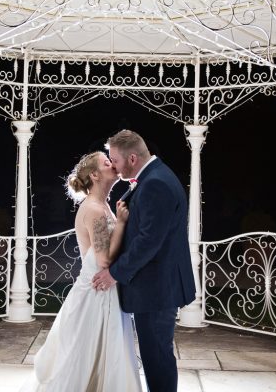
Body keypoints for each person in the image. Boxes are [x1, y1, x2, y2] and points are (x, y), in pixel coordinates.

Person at [19, 151, 143, 392]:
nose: (113, 165)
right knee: (84, 356)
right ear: (95, 175)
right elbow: (104, 259)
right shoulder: (95, 209)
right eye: (107, 163)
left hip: (102, 290)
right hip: (95, 295)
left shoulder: (103, 204)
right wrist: (121, 223)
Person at [92, 129, 196, 392]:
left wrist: (114, 273)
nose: (113, 166)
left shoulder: (155, 183)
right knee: (155, 353)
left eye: (115, 160)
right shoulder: (153, 176)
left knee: (156, 356)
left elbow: (148, 242)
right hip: (157, 285)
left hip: (156, 288)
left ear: (133, 159)